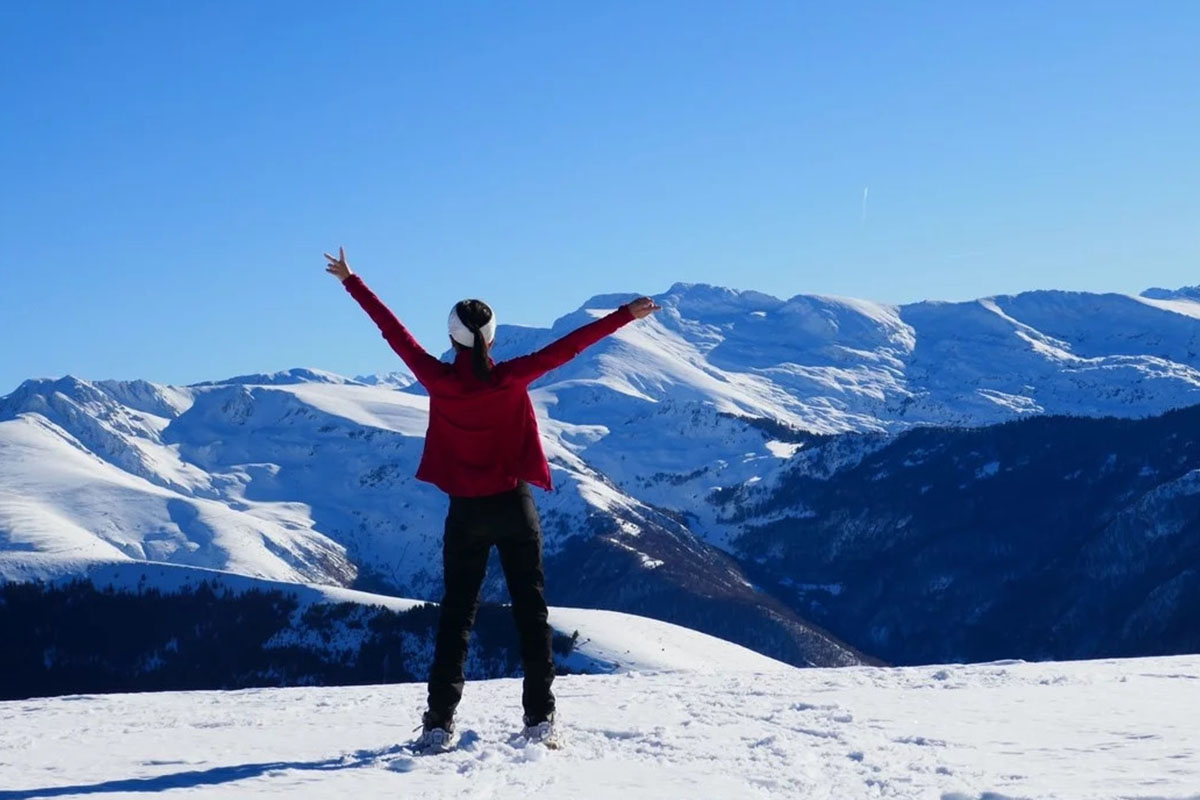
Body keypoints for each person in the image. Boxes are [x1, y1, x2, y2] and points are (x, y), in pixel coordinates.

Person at [324, 246, 660, 752]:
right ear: (493, 336)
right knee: (532, 613)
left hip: (466, 512)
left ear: (452, 338)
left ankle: (438, 725)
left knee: (456, 617)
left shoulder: (437, 380)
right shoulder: (510, 376)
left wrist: (353, 280)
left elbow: (392, 332)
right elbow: (568, 348)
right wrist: (623, 317)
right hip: (512, 505)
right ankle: (540, 720)